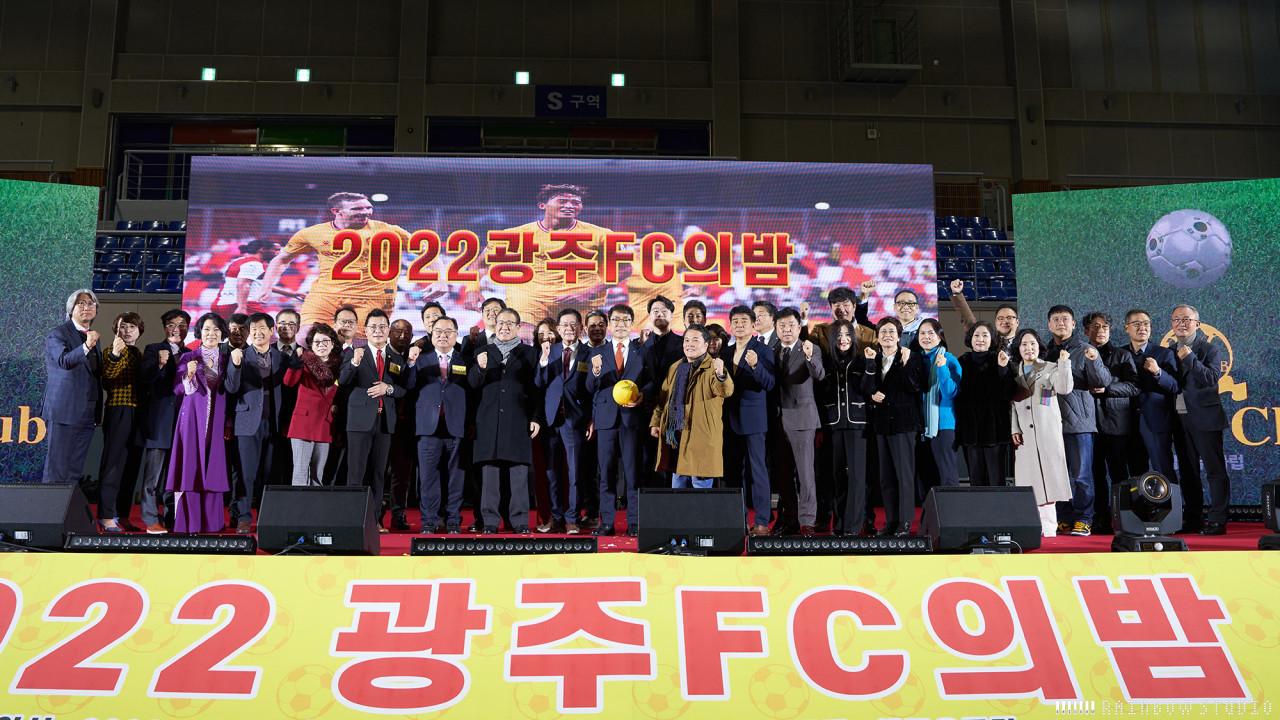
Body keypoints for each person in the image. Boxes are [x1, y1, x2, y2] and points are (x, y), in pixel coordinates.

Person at [255, 192, 410, 332]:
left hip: (369, 298)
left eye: (368, 207)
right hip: (326, 296)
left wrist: (428, 281)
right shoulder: (313, 233)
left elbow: (422, 248)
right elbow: (281, 259)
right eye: (357, 209)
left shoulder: (387, 230)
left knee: (358, 348)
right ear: (336, 211)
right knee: (305, 338)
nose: (365, 212)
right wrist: (266, 286)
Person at [494, 184, 612, 330]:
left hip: (578, 302)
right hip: (530, 298)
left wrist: (589, 292)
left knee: (569, 343)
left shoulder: (601, 234)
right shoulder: (517, 234)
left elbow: (624, 269)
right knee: (525, 337)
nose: (569, 206)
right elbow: (480, 264)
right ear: (542, 205)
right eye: (562, 201)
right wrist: (472, 290)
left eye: (576, 202)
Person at [470, 308, 543, 533]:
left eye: (510, 323)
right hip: (488, 422)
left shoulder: (530, 354)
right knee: (490, 474)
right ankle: (490, 522)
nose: (504, 327)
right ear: (494, 325)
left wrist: (535, 417)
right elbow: (472, 385)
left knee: (519, 473)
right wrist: (480, 368)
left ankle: (520, 521)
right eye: (501, 322)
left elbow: (537, 390)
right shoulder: (482, 352)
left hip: (518, 420)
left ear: (519, 327)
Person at [339, 309, 411, 531]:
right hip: (359, 422)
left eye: (382, 327)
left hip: (385, 422)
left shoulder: (396, 358)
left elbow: (403, 389)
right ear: (366, 330)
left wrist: (387, 388)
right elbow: (343, 380)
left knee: (379, 474)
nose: (378, 331)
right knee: (356, 473)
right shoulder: (355, 353)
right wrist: (354, 363)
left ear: (388, 330)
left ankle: (375, 520)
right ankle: (352, 520)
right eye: (373, 327)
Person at [1043, 305, 1111, 537]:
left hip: (1079, 423)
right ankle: (1063, 517)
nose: (1060, 323)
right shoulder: (1044, 353)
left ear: (1073, 324)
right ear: (1049, 325)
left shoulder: (1086, 350)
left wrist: (1094, 361)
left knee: (1082, 476)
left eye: (1065, 319)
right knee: (1056, 475)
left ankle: (1083, 518)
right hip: (1051, 424)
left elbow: (1102, 382)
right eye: (1055, 319)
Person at [586, 304, 652, 537]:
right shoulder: (597, 352)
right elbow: (590, 387)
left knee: (634, 474)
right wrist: (595, 372)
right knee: (606, 474)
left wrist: (643, 393)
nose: (620, 324)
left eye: (625, 320)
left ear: (632, 324)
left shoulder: (642, 351)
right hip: (606, 420)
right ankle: (607, 523)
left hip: (632, 418)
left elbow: (652, 381)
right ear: (609, 324)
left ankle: (634, 522)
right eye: (616, 320)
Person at [1167, 305, 1230, 535]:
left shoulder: (1209, 349)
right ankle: (1193, 519)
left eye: (1186, 319)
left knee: (1215, 470)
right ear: (1171, 324)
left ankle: (1217, 521)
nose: (1181, 323)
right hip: (1178, 419)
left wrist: (1190, 358)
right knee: (1188, 472)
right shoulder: (1167, 351)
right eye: (1176, 319)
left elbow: (1211, 378)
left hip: (1205, 418)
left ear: (1197, 324)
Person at [167, 313, 232, 533]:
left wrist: (228, 423)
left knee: (213, 468)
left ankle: (212, 523)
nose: (211, 334)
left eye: (216, 329)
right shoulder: (189, 357)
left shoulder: (227, 359)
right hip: (192, 420)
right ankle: (188, 523)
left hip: (217, 420)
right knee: (190, 466)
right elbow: (178, 390)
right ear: (200, 332)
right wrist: (189, 375)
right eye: (206, 329)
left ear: (222, 333)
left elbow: (232, 392)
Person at [224, 312, 288, 534]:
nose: (258, 333)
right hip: (247, 423)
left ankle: (265, 517)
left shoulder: (282, 358)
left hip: (275, 423)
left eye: (262, 329)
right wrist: (235, 365)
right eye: (253, 329)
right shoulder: (240, 355)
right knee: (246, 474)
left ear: (271, 331)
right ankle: (243, 517)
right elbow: (231, 387)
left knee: (269, 474)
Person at [863, 317, 926, 536]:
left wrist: (906, 364)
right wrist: (872, 395)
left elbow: (915, 386)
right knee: (885, 477)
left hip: (904, 424)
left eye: (891, 332)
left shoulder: (911, 357)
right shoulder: (873, 358)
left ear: (899, 336)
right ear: (877, 337)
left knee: (904, 475)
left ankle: (905, 522)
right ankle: (891, 521)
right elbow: (866, 388)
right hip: (882, 425)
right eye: (883, 332)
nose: (887, 335)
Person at [649, 325, 733, 487]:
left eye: (695, 340)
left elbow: (725, 391)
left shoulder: (713, 367)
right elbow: (663, 399)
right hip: (676, 437)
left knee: (700, 490)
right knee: (677, 491)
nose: (689, 344)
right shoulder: (676, 367)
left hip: (701, 437)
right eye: (686, 340)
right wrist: (656, 422)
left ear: (706, 344)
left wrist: (721, 375)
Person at [1084, 311, 1145, 534]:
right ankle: (1100, 518)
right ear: (1086, 331)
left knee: (1119, 474)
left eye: (1105, 327)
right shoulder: (1079, 354)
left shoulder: (1122, 355)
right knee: (1095, 475)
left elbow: (1134, 386)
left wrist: (1107, 389)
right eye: (1095, 326)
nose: (1100, 331)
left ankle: (1123, 519)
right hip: (1088, 423)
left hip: (1117, 424)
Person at [1010, 328, 1074, 537]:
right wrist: (1014, 428)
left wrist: (1064, 363)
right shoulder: (1014, 372)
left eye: (1033, 344)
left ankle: (1049, 526)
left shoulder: (1050, 367)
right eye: (1024, 344)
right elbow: (1011, 405)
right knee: (1029, 478)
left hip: (1047, 433)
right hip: (1024, 436)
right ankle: (1032, 524)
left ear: (1039, 346)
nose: (1029, 348)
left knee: (1049, 477)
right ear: (1018, 348)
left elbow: (1064, 388)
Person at [410, 316, 471, 534]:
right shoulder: (420, 359)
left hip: (456, 427)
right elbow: (408, 385)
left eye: (448, 331)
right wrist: (410, 363)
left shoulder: (466, 360)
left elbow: (473, 392)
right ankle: (429, 520)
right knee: (428, 478)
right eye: (438, 331)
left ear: (456, 335)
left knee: (456, 478)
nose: (443, 335)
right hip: (428, 427)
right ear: (431, 334)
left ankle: (453, 519)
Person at [535, 309, 594, 533]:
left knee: (575, 472)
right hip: (551, 420)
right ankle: (556, 517)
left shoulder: (590, 353)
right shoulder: (549, 350)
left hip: (575, 420)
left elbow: (594, 391)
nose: (569, 328)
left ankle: (573, 518)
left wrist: (592, 419)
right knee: (552, 472)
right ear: (558, 329)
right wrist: (543, 361)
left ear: (581, 329)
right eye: (565, 325)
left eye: (573, 324)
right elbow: (539, 383)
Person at [721, 305, 776, 535]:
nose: (739, 324)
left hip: (754, 420)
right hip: (729, 420)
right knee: (733, 473)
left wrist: (755, 366)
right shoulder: (725, 352)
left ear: (753, 325)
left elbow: (770, 384)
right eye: (735, 321)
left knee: (758, 472)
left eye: (744, 320)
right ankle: (738, 521)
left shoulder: (762, 350)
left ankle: (762, 522)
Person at [771, 307, 825, 536]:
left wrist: (810, 357)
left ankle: (807, 522)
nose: (786, 329)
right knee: (783, 477)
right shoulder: (770, 350)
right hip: (776, 420)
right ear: (775, 328)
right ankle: (790, 520)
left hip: (802, 418)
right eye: (782, 325)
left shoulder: (809, 348)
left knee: (805, 475)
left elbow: (819, 375)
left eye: (791, 325)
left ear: (799, 327)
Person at [42, 289, 103, 484]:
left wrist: (96, 412)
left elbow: (94, 375)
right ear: (71, 310)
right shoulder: (58, 334)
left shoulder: (92, 336)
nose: (87, 307)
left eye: (91, 304)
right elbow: (64, 361)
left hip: (88, 411)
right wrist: (86, 346)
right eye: (81, 303)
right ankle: (50, 504)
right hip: (64, 409)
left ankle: (68, 504)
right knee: (56, 468)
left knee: (75, 469)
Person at [137, 309, 190, 533]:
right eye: (171, 325)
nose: (176, 329)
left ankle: (172, 517)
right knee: (153, 475)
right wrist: (159, 364)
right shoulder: (153, 349)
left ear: (188, 328)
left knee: (175, 475)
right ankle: (150, 518)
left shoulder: (191, 353)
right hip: (160, 422)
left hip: (184, 423)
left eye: (181, 324)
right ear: (165, 327)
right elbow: (144, 377)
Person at [821, 319, 872, 536]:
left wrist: (870, 366)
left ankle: (853, 526)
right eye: (839, 335)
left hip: (857, 424)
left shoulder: (862, 361)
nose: (843, 339)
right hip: (833, 424)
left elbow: (867, 389)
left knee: (857, 477)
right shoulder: (826, 362)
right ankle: (839, 525)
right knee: (837, 476)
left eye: (847, 335)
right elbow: (821, 392)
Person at [96, 312, 145, 531]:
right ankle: (106, 515)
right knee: (113, 464)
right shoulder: (111, 351)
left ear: (139, 331)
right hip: (119, 409)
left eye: (132, 327)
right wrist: (115, 354)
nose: (127, 331)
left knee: (131, 467)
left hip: (139, 412)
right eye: (123, 327)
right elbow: (107, 379)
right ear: (116, 330)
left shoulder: (139, 353)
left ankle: (123, 515)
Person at [954, 321, 1015, 487]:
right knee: (975, 479)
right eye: (976, 335)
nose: (980, 339)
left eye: (985, 335)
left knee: (996, 479)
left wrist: (1003, 369)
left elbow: (1007, 393)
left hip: (994, 430)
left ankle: (998, 505)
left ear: (992, 339)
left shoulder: (999, 359)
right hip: (970, 431)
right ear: (970, 338)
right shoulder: (962, 361)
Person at [282, 323, 342, 486]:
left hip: (325, 425)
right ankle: (298, 504)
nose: (321, 345)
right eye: (317, 342)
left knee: (318, 475)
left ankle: (316, 504)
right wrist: (294, 365)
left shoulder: (339, 366)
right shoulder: (304, 362)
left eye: (325, 341)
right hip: (303, 424)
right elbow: (289, 382)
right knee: (300, 474)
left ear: (332, 344)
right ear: (311, 345)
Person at [1122, 309, 1178, 483]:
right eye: (1137, 324)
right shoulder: (1120, 354)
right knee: (1136, 476)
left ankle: (1171, 502)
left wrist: (1158, 372)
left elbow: (1175, 386)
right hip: (1126, 422)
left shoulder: (1164, 353)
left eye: (1146, 324)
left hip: (1156, 421)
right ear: (1126, 328)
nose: (1142, 328)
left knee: (1164, 471)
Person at [915, 318, 962, 491]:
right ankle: (929, 509)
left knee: (947, 475)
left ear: (940, 336)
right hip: (921, 426)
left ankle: (952, 508)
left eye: (931, 333)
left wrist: (942, 368)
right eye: (922, 333)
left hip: (943, 426)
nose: (926, 337)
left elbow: (950, 393)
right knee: (926, 478)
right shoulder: (915, 360)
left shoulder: (949, 360)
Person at [385, 317, 418, 531]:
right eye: (398, 331)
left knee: (402, 473)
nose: (402, 336)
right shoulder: (381, 354)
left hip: (406, 425)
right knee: (378, 471)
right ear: (389, 333)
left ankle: (399, 514)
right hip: (382, 421)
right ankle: (376, 515)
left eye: (407, 333)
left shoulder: (414, 356)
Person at [211, 238, 283, 318]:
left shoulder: (236, 261)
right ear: (263, 250)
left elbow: (264, 286)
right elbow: (242, 284)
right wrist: (242, 307)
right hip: (243, 305)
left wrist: (291, 294)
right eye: (274, 250)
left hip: (219, 304)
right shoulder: (255, 264)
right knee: (267, 325)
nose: (277, 253)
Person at [949, 279, 1019, 353]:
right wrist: (957, 293)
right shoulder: (988, 341)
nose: (1005, 321)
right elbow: (969, 321)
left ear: (1017, 322)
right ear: (996, 322)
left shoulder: (1024, 342)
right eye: (1001, 318)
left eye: (1009, 318)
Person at [857, 281, 924, 349]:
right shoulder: (883, 330)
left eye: (910, 303)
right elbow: (861, 321)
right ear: (894, 307)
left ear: (917, 308)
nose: (906, 307)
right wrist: (864, 295)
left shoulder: (927, 329)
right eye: (901, 303)